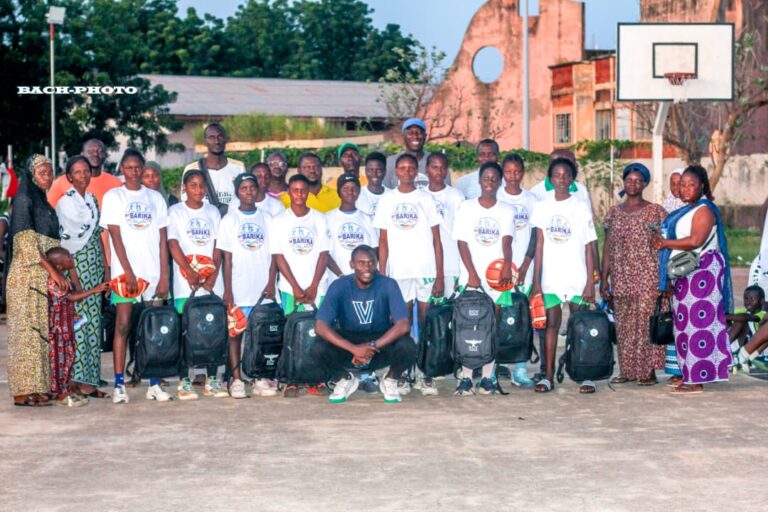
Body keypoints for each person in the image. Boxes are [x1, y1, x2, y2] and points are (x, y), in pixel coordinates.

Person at [652, 165, 734, 394]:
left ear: (702, 186)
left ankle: (697, 378)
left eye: (691, 184)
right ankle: (689, 373)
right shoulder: (689, 208)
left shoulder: (705, 209)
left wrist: (664, 243)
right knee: (684, 326)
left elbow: (696, 240)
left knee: (700, 325)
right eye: (682, 184)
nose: (685, 188)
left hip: (703, 274)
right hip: (686, 274)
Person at [100, 149, 172, 404]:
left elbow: (163, 240)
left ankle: (154, 382)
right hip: (125, 275)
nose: (133, 172)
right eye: (128, 167)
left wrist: (164, 277)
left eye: (137, 167)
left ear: (143, 168)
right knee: (123, 326)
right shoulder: (114, 197)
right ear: (122, 168)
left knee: (154, 331)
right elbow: (115, 236)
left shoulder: (156, 199)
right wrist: (127, 272)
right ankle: (119, 383)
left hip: (153, 273)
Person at [374, 153, 444, 395]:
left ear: (416, 171)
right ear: (396, 172)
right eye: (401, 168)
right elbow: (382, 241)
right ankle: (401, 373)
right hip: (398, 271)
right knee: (402, 325)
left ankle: (426, 373)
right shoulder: (387, 200)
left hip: (425, 269)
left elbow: (437, 239)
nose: (406, 171)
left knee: (426, 324)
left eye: (410, 167)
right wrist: (382, 274)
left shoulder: (426, 199)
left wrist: (440, 275)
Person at [315, 245, 417, 403]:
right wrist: (354, 349)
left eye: (371, 262)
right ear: (351, 264)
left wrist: (372, 346)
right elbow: (321, 326)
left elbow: (403, 324)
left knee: (408, 345)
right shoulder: (339, 286)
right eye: (361, 263)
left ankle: (390, 380)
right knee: (317, 348)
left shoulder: (388, 284)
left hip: (379, 343)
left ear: (376, 263)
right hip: (349, 343)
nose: (367, 267)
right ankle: (344, 379)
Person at [530, 158, 597, 394]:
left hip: (577, 275)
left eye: (566, 175)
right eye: (557, 175)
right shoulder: (542, 206)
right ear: (550, 179)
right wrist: (536, 282)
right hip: (551, 277)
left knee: (582, 327)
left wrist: (590, 282)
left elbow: (590, 245)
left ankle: (585, 376)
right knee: (550, 325)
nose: (562, 179)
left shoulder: (580, 206)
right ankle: (547, 376)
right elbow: (538, 245)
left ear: (572, 179)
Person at [6, 155, 68, 407]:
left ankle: (39, 388)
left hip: (40, 278)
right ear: (31, 174)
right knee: (25, 336)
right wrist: (54, 272)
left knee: (41, 336)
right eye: (42, 172)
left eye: (50, 172)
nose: (48, 177)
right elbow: (26, 243)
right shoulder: (24, 200)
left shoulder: (44, 202)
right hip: (25, 277)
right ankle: (22, 392)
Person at [600, 163, 667, 386]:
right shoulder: (613, 213)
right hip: (621, 275)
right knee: (624, 325)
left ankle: (647, 371)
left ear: (645, 183)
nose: (633, 184)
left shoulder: (655, 211)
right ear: (624, 182)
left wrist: (664, 279)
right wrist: (603, 279)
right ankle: (627, 370)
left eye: (638, 181)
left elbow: (664, 246)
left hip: (648, 275)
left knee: (646, 323)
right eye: (629, 180)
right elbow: (607, 248)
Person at [452, 162, 515, 395]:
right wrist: (472, 274)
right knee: (468, 325)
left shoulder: (506, 210)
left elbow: (506, 242)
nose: (490, 182)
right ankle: (466, 378)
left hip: (496, 279)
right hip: (471, 278)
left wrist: (507, 266)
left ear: (500, 182)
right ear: (479, 181)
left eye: (494, 178)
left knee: (491, 327)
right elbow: (462, 243)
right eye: (486, 178)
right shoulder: (467, 208)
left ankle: (489, 376)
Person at [167, 169, 227, 400]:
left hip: (211, 284)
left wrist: (212, 275)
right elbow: (173, 244)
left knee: (211, 331)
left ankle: (212, 379)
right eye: (193, 185)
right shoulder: (176, 212)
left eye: (202, 186)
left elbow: (218, 245)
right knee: (186, 332)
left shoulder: (212, 211)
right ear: (184, 187)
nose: (199, 190)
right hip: (186, 283)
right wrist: (189, 272)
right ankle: (184, 381)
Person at [54, 155, 111, 398]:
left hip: (95, 264)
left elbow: (98, 234)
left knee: (94, 324)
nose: (83, 175)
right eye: (77, 172)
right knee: (79, 324)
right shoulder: (65, 204)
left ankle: (89, 381)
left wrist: (107, 268)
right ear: (69, 176)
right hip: (77, 266)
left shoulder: (92, 199)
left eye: (86, 170)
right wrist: (75, 278)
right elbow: (67, 245)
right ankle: (74, 381)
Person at [218, 173, 278, 399]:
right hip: (239, 288)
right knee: (236, 335)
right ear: (237, 192)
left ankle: (259, 378)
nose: (249, 192)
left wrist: (271, 282)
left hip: (263, 290)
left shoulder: (268, 218)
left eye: (252, 187)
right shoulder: (229, 220)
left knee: (260, 336)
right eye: (244, 188)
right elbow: (227, 259)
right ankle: (236, 379)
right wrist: (228, 289)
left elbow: (274, 256)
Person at [45, 247, 109, 407]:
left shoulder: (64, 278)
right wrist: (94, 290)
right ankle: (58, 393)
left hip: (67, 328)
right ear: (59, 266)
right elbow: (72, 297)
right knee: (58, 362)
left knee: (69, 358)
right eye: (67, 257)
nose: (71, 257)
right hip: (58, 331)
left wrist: (73, 315)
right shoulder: (54, 281)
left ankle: (66, 389)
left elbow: (67, 301)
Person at [496, 153, 538, 387]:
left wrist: (525, 265)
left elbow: (534, 236)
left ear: (523, 172)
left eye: (517, 172)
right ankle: (492, 366)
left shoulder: (531, 200)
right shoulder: (497, 196)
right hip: (500, 270)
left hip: (524, 268)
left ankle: (521, 368)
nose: (512, 176)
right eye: (508, 172)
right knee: (498, 317)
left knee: (523, 318)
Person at [182, 123, 245, 214]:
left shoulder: (238, 168)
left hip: (231, 224)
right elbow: (186, 203)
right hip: (204, 224)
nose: (216, 141)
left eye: (220, 137)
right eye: (211, 137)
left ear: (226, 139)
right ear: (205, 141)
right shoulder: (192, 169)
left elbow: (244, 200)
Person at [326, 175, 377, 280]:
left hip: (364, 280)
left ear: (359, 192)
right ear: (339, 192)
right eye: (345, 188)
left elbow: (374, 249)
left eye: (354, 188)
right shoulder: (327, 218)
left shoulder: (368, 218)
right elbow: (325, 253)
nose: (350, 192)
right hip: (337, 279)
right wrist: (341, 276)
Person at [47, 139, 123, 209]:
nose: (95, 154)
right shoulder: (63, 181)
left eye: (100, 151)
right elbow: (47, 210)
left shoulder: (116, 183)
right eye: (90, 152)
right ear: (82, 154)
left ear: (105, 155)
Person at [383, 118, 449, 190]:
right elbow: (385, 191)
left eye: (419, 132)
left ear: (425, 136)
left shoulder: (437, 162)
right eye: (410, 133)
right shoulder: (391, 162)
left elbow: (446, 191)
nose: (415, 136)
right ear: (403, 136)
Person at [727, 286, 766, 353]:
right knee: (731, 319)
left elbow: (746, 317)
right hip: (738, 342)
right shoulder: (741, 312)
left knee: (741, 320)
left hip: (753, 344)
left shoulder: (763, 314)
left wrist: (724, 317)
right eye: (746, 299)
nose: (748, 302)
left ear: (761, 301)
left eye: (752, 299)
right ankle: (725, 346)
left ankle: (725, 347)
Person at [355, 152, 389, 217]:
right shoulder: (357, 194)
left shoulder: (392, 196)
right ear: (365, 171)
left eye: (379, 171)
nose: (374, 174)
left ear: (385, 172)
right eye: (370, 170)